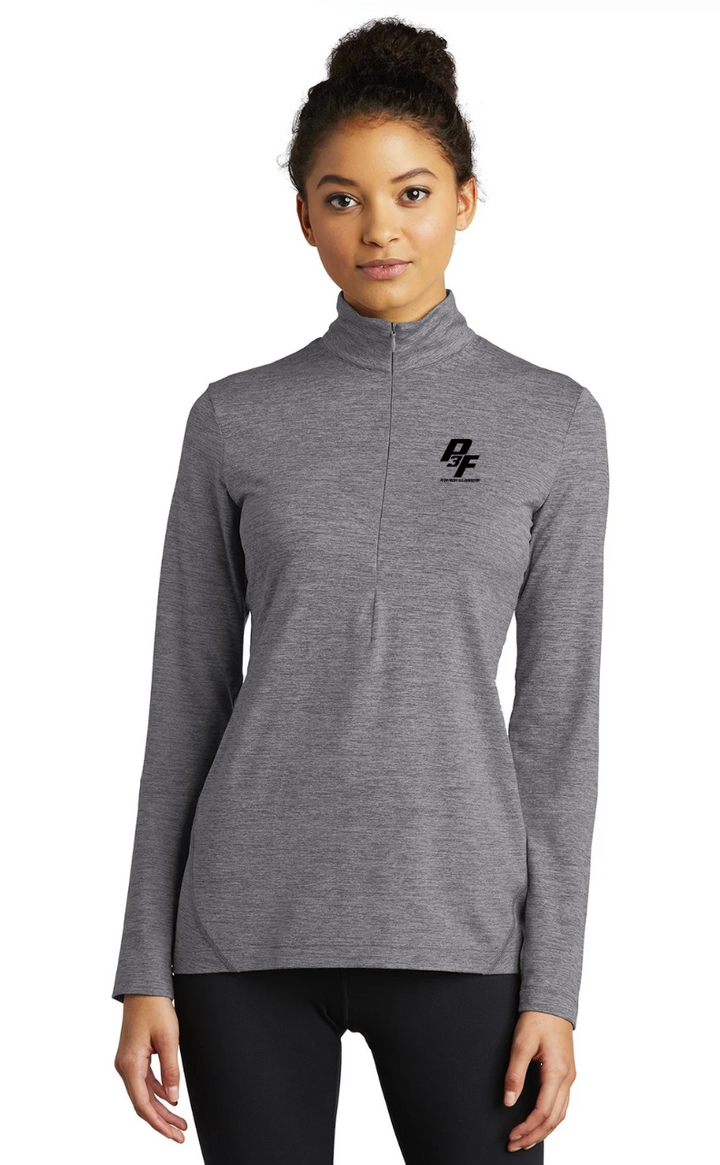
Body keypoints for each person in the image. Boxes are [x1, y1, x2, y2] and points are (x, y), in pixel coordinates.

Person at [112, 16, 609, 1163]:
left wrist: (556, 988)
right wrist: (144, 964)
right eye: (342, 199)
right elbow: (186, 697)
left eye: (412, 193)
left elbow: (558, 725)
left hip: (461, 931)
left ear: (466, 201)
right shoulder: (234, 418)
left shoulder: (554, 421)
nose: (379, 227)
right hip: (242, 932)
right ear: (304, 217)